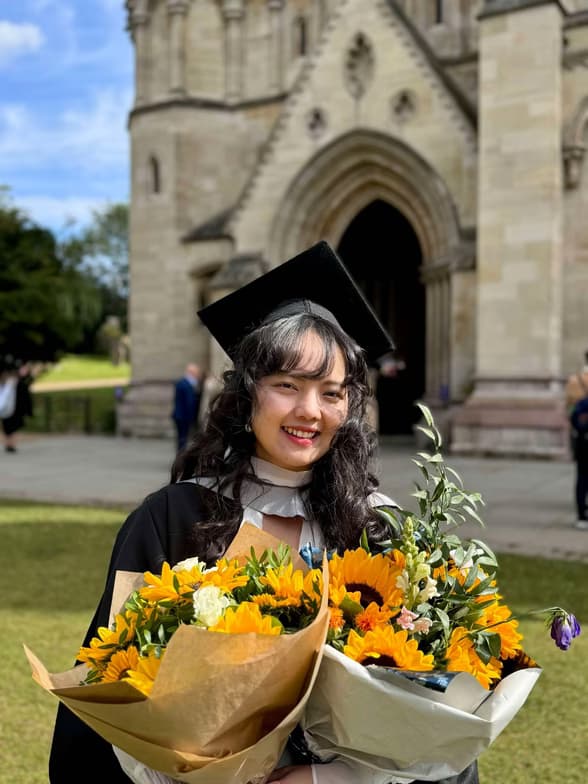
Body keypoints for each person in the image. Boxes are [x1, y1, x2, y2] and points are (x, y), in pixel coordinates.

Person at [49, 242, 479, 784]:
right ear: (247, 392)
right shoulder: (175, 519)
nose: (309, 411)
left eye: (331, 393)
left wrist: (331, 780)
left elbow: (438, 723)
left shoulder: (380, 530)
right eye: (287, 386)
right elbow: (106, 696)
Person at [565, 350, 588, 530]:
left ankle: (581, 516)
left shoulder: (575, 381)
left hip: (582, 436)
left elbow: (569, 410)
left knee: (582, 476)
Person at [1, 362, 33, 453]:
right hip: (6, 408)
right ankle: (9, 443)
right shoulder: (5, 384)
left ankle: (11, 443)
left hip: (16, 409)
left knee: (13, 427)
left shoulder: (19, 384)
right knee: (8, 427)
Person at [171, 362, 202, 451]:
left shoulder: (183, 383)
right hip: (183, 416)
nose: (198, 375)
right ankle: (181, 455)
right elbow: (189, 402)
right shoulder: (185, 384)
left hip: (180, 415)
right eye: (196, 373)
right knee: (183, 438)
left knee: (182, 437)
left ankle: (180, 453)